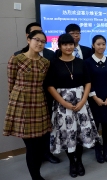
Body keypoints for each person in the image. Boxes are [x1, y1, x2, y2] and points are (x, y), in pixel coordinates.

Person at [46, 34, 101, 178]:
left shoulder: (80, 62)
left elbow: (88, 82)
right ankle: (72, 162)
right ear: (60, 46)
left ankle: (80, 161)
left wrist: (83, 100)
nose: (68, 47)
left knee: (80, 134)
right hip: (62, 105)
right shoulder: (54, 63)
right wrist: (63, 103)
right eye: (65, 44)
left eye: (71, 44)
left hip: (81, 102)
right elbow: (50, 86)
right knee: (68, 135)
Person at [4, 30, 50, 180]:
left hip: (38, 104)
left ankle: (37, 174)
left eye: (43, 42)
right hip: (21, 104)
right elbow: (11, 85)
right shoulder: (16, 59)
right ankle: (36, 177)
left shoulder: (45, 62)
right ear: (29, 40)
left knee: (38, 145)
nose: (40, 43)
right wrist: (15, 104)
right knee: (31, 146)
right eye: (37, 40)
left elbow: (44, 85)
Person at [13, 22, 60, 164]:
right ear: (28, 37)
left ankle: (46, 153)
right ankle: (34, 156)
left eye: (41, 37)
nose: (39, 40)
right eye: (35, 35)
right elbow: (13, 82)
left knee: (46, 129)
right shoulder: (18, 56)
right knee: (29, 134)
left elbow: (53, 77)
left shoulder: (50, 55)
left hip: (46, 98)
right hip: (26, 101)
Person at [85, 35, 107, 163]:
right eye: (98, 44)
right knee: (95, 127)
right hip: (94, 99)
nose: (101, 46)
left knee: (106, 127)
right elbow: (87, 81)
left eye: (103, 44)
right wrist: (95, 97)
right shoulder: (87, 62)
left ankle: (106, 150)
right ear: (93, 45)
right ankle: (98, 151)